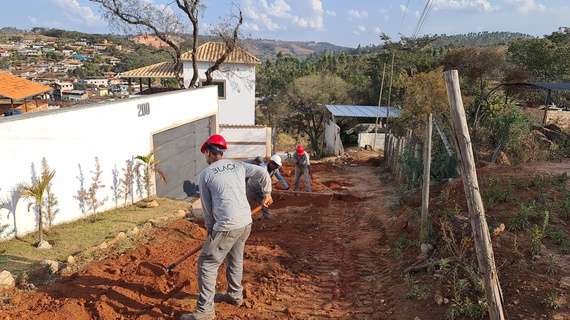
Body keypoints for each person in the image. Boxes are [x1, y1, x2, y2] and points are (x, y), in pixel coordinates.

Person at [181, 134, 273, 320]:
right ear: (222, 152)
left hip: (227, 225)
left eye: (205, 153)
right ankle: (234, 295)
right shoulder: (238, 165)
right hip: (245, 222)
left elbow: (207, 209)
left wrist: (210, 231)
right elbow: (263, 172)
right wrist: (267, 194)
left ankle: (205, 310)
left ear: (208, 152)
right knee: (235, 258)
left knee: (207, 263)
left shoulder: (206, 174)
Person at [246, 154, 289, 220]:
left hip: (261, 188)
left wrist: (286, 187)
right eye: (276, 166)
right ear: (271, 163)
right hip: (252, 186)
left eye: (277, 166)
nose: (276, 168)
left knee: (264, 202)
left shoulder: (275, 170)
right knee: (248, 202)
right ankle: (245, 216)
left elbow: (280, 178)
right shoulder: (263, 169)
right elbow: (261, 181)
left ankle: (266, 216)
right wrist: (266, 190)